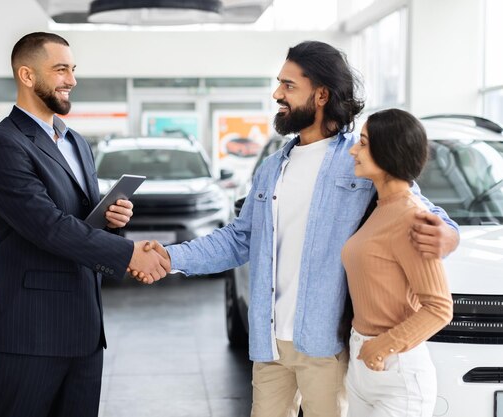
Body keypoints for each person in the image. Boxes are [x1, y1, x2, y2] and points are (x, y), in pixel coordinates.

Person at [131, 41, 459, 417]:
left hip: (325, 345)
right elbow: (240, 238)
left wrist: (448, 235)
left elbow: (417, 206)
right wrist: (170, 257)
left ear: (321, 94)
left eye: (288, 86)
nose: (277, 94)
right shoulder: (272, 167)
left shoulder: (361, 158)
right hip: (269, 344)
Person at [0, 32, 169, 417]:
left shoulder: (76, 141)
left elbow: (79, 219)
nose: (72, 80)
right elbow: (48, 225)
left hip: (85, 329)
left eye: (73, 69)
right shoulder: (2, 145)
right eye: (61, 69)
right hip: (33, 332)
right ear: (27, 76)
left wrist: (111, 221)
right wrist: (129, 254)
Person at [342, 109, 452, 417]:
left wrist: (383, 346)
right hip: (363, 364)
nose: (353, 150)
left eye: (362, 143)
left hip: (397, 374)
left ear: (387, 151)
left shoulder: (412, 218)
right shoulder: (380, 209)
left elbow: (439, 308)